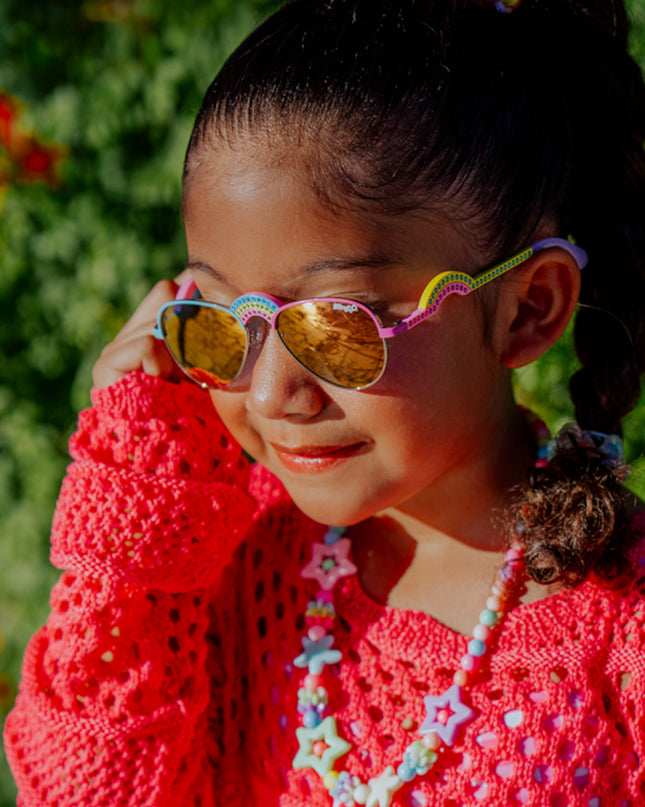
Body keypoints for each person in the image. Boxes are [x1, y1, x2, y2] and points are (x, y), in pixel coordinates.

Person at [5, 0, 645, 803]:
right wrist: (134, 507)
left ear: (528, 308)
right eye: (223, 320)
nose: (273, 392)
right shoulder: (223, 568)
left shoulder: (619, 629)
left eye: (337, 326)